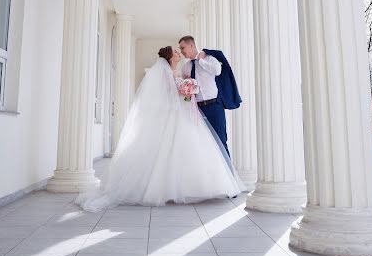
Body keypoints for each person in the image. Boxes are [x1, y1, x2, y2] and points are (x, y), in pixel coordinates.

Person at [77, 46, 246, 211]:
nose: (179, 52)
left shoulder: (178, 71)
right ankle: (169, 188)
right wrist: (183, 93)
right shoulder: (165, 73)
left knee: (187, 150)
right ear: (170, 57)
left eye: (180, 49)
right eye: (175, 51)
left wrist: (186, 93)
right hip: (173, 115)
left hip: (185, 112)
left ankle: (189, 186)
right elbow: (164, 97)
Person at [177, 35, 241, 157]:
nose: (182, 51)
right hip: (198, 110)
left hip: (214, 106)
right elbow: (186, 90)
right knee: (202, 142)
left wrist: (201, 61)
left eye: (182, 48)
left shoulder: (209, 58)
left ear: (191, 45)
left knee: (221, 140)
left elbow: (217, 71)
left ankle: (228, 174)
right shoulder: (186, 67)